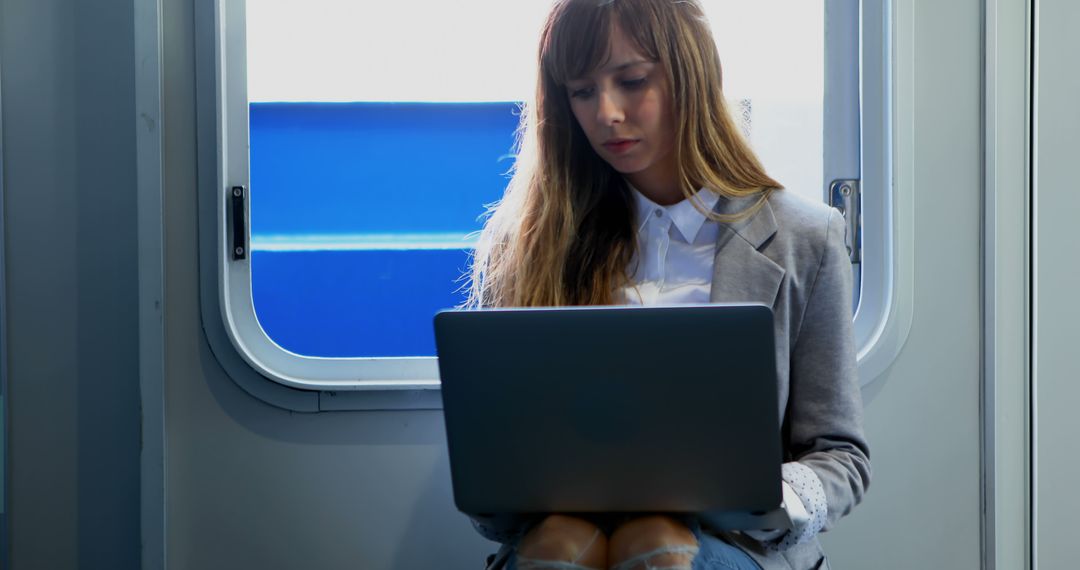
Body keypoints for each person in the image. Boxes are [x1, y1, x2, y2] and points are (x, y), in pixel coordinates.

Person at [464, 1, 871, 568]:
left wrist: (773, 500)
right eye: (581, 92)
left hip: (735, 545)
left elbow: (839, 455)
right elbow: (496, 481)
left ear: (690, 74)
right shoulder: (528, 243)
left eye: (631, 81)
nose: (606, 113)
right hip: (558, 534)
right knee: (558, 548)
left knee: (654, 545)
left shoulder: (804, 237)